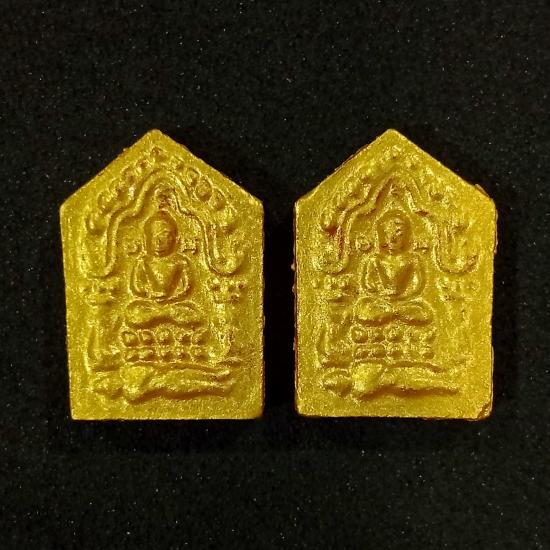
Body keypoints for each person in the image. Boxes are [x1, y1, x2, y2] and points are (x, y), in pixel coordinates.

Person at [126, 210, 204, 329]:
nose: (158, 241)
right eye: (153, 235)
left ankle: (161, 315)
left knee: (193, 313)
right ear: (146, 239)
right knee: (132, 310)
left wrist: (173, 298)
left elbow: (187, 287)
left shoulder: (180, 261)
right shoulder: (143, 261)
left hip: (174, 305)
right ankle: (162, 315)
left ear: (175, 239)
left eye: (164, 235)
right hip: (149, 304)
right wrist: (150, 294)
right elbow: (136, 288)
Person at [354, 210, 433, 326]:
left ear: (406, 237)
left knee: (425, 313)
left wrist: (402, 297)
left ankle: (392, 313)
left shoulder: (413, 259)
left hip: (406, 303)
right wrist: (382, 294)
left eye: (399, 235)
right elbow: (368, 284)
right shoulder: (375, 259)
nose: (393, 240)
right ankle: (394, 313)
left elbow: (417, 286)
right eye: (387, 234)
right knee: (363, 310)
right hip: (381, 302)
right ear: (381, 236)